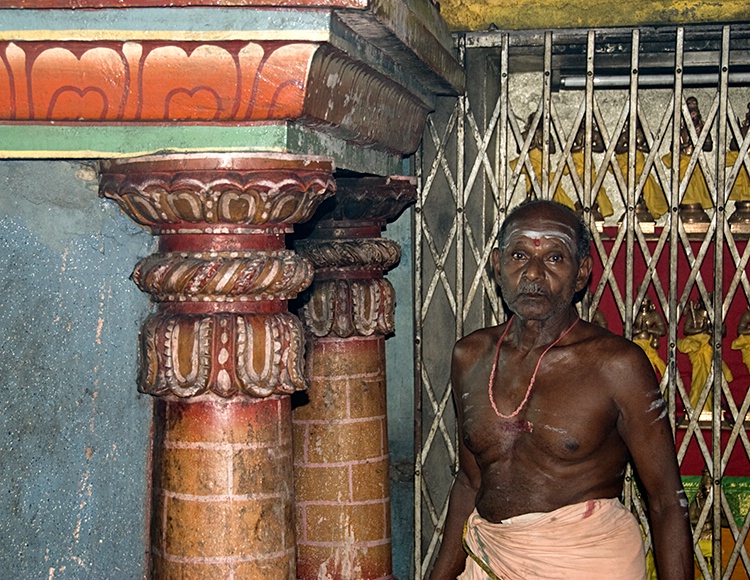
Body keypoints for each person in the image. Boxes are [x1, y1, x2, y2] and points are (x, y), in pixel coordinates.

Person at [429, 199, 693, 580]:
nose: (533, 274)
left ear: (581, 273)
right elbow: (470, 481)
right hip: (492, 557)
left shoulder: (616, 365)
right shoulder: (470, 356)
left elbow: (667, 500)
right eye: (519, 255)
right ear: (498, 264)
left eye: (554, 259)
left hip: (586, 560)